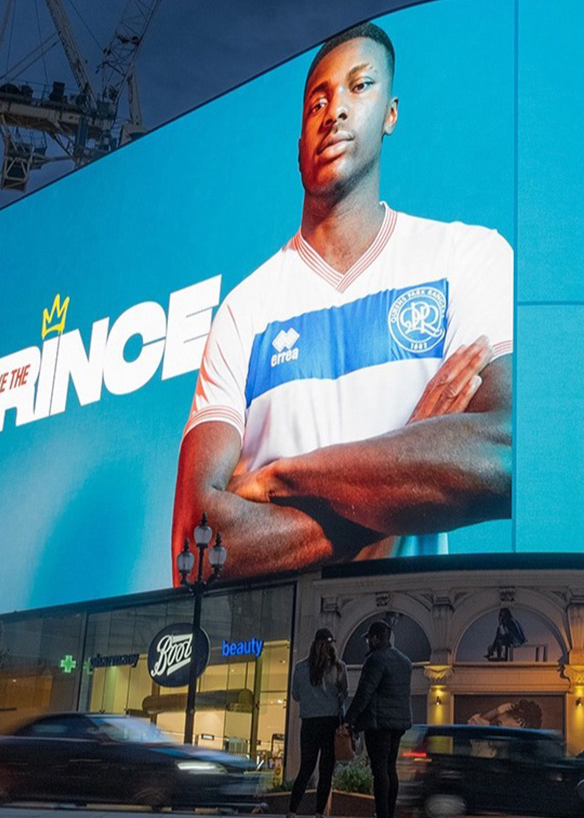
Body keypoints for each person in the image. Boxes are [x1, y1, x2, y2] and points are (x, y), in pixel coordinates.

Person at [171, 19, 515, 581]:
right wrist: (407, 465)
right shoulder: (243, 310)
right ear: (300, 140)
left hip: (415, 645)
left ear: (391, 114)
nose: (335, 111)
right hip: (268, 659)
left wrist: (287, 476)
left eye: (360, 86)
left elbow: (505, 457)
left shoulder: (465, 256)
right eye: (317, 102)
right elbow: (197, 549)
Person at [346, 620, 414, 818]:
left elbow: (365, 692)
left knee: (380, 770)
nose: (368, 642)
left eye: (369, 638)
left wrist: (350, 719)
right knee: (391, 768)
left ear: (375, 638)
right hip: (399, 723)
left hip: (378, 723)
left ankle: (382, 815)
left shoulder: (375, 659)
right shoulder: (405, 661)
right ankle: (389, 814)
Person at [288, 629, 349, 818]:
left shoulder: (300, 667)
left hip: (309, 723)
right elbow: (344, 694)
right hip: (330, 723)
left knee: (306, 768)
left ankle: (291, 812)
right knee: (326, 770)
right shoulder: (339, 667)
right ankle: (318, 814)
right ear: (332, 645)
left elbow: (296, 695)